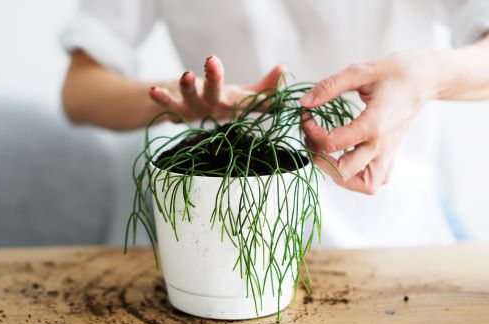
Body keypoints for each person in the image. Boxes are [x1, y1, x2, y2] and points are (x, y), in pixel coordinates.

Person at [60, 0, 489, 248]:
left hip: (404, 230)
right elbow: (80, 92)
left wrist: (424, 74)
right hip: (231, 230)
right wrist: (185, 100)